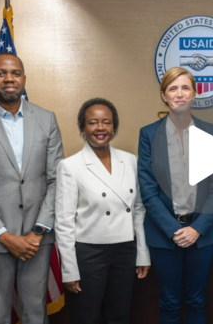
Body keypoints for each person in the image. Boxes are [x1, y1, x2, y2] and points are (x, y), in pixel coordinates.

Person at [0, 53, 64, 324]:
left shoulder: (47, 119)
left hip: (37, 241)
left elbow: (56, 180)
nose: (9, 79)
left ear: (24, 78)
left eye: (15, 73)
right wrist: (5, 236)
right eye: (1, 73)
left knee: (35, 313)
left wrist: (38, 231)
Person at [137, 67, 213, 324]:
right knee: (169, 302)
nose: (179, 94)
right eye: (173, 88)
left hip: (202, 233)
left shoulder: (211, 131)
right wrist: (175, 230)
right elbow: (148, 189)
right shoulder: (149, 134)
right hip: (164, 235)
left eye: (185, 88)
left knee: (197, 301)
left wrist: (197, 228)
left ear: (194, 93)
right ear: (164, 95)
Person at [55, 98, 150, 324]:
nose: (100, 128)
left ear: (114, 127)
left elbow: (138, 210)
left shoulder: (130, 160)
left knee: (119, 315)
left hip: (125, 250)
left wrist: (142, 253)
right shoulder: (70, 166)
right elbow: (64, 222)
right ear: (83, 128)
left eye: (106, 122)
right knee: (86, 316)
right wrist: (69, 270)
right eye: (93, 122)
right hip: (89, 253)